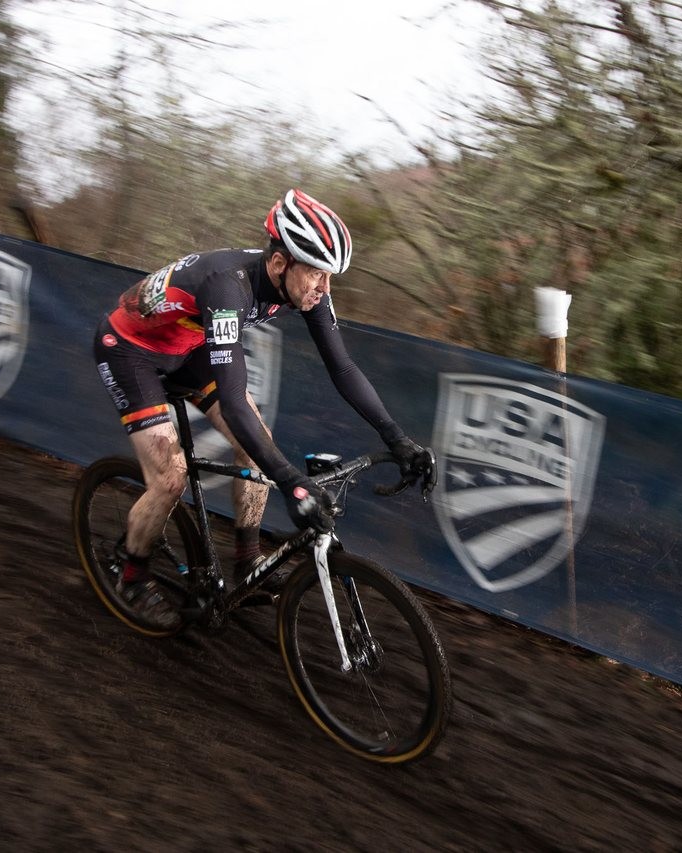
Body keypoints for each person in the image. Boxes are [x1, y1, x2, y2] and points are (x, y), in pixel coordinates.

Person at [92, 189, 434, 625]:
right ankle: (131, 572)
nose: (325, 289)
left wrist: (398, 438)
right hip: (131, 350)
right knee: (170, 477)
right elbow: (233, 402)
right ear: (279, 263)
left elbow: (343, 368)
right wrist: (292, 482)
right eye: (318, 275)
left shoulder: (304, 289)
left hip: (188, 344)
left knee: (257, 445)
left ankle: (247, 561)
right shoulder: (225, 285)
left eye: (330, 277)